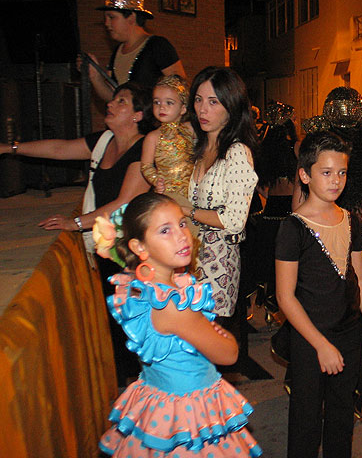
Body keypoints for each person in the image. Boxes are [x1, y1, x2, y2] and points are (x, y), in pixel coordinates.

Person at [0, 82, 154, 386]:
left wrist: (77, 223)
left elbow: (124, 201)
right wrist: (10, 148)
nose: (110, 104)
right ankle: (128, 388)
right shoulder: (104, 141)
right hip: (108, 245)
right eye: (113, 99)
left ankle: (148, 388)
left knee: (137, 323)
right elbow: (59, 149)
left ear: (138, 115)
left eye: (121, 102)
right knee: (115, 323)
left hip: (134, 251)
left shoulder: (142, 149)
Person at [95, 192, 263, 457]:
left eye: (182, 224)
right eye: (165, 230)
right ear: (139, 247)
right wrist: (219, 333)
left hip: (155, 399)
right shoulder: (172, 306)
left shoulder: (137, 286)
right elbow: (229, 354)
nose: (182, 236)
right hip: (189, 413)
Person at [276, 132, 362, 458]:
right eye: (326, 172)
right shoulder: (293, 227)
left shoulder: (350, 220)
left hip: (349, 333)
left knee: (341, 419)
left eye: (342, 172)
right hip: (309, 338)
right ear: (305, 175)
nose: (336, 180)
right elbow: (285, 297)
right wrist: (320, 345)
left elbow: (361, 278)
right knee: (305, 421)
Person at [185, 67, 258, 319]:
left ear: (231, 106)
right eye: (198, 100)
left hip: (217, 264)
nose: (202, 110)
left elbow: (234, 221)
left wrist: (188, 212)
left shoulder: (236, 152)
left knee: (209, 335)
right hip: (190, 257)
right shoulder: (199, 147)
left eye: (213, 102)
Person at [86, 0, 186, 102]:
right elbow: (113, 97)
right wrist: (95, 76)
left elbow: (180, 88)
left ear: (131, 17)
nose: (106, 23)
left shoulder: (157, 46)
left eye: (112, 17)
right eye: (106, 18)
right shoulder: (117, 52)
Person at [254, 102, 299, 320]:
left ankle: (271, 307)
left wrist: (269, 194)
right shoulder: (295, 149)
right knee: (289, 264)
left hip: (271, 211)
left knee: (272, 263)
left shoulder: (265, 151)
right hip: (290, 209)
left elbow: (256, 182)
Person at [140, 75, 195, 213]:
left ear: (183, 108)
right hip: (167, 192)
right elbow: (146, 166)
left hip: (193, 191)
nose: (162, 107)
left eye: (169, 103)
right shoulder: (153, 137)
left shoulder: (190, 129)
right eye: (157, 102)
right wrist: (156, 180)